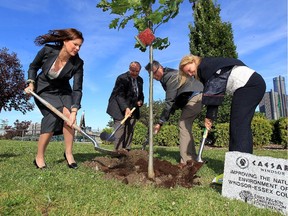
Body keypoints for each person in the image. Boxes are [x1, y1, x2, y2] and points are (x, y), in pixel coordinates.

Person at [178, 54, 266, 155]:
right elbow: (215, 91)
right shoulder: (209, 64)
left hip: (248, 85)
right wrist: (210, 116)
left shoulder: (204, 66)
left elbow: (214, 91)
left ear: (193, 61)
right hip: (253, 84)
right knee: (241, 124)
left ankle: (238, 165)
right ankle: (241, 163)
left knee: (239, 125)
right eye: (187, 73)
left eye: (189, 70)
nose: (190, 74)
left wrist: (209, 117)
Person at [24, 28, 84, 169]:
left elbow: (77, 88)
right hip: (44, 89)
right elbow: (33, 67)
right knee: (52, 117)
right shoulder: (47, 51)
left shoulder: (78, 63)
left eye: (80, 46)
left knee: (69, 118)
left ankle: (69, 154)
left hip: (63, 91)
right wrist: (31, 83)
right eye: (75, 44)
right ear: (65, 41)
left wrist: (74, 111)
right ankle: (39, 157)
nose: (77, 48)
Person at [145, 60, 203, 168]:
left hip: (195, 97)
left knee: (183, 125)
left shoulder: (170, 77)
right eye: (150, 74)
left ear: (160, 67)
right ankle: (191, 158)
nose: (153, 76)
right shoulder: (166, 77)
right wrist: (162, 121)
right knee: (185, 127)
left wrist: (160, 122)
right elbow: (173, 103)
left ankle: (185, 161)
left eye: (154, 72)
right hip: (190, 98)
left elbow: (169, 101)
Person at [106, 61, 144, 151]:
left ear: (140, 70)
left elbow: (141, 94)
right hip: (119, 106)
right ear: (129, 69)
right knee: (120, 129)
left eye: (137, 71)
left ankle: (126, 150)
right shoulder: (122, 78)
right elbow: (119, 95)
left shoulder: (140, 80)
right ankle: (118, 152)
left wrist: (140, 101)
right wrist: (125, 108)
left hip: (133, 107)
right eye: (133, 71)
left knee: (130, 129)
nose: (134, 73)